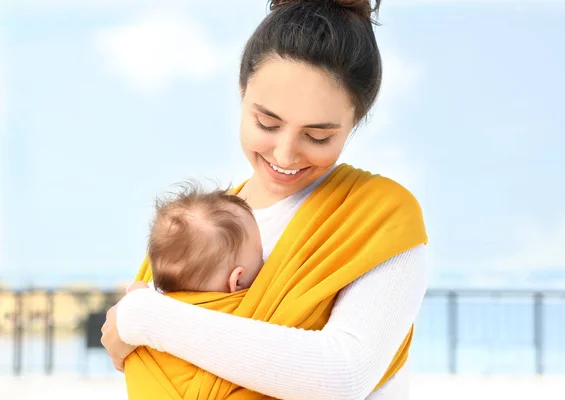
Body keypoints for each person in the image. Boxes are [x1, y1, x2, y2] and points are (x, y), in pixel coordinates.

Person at [101, 0, 429, 398]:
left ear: (354, 123)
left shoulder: (380, 217)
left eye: (318, 136)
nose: (285, 154)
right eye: (267, 123)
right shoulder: (197, 225)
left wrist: (147, 318)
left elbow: (342, 376)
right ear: (242, 93)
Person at [147, 182, 263, 294]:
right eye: (260, 256)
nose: (265, 260)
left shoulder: (147, 300)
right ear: (237, 281)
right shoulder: (235, 312)